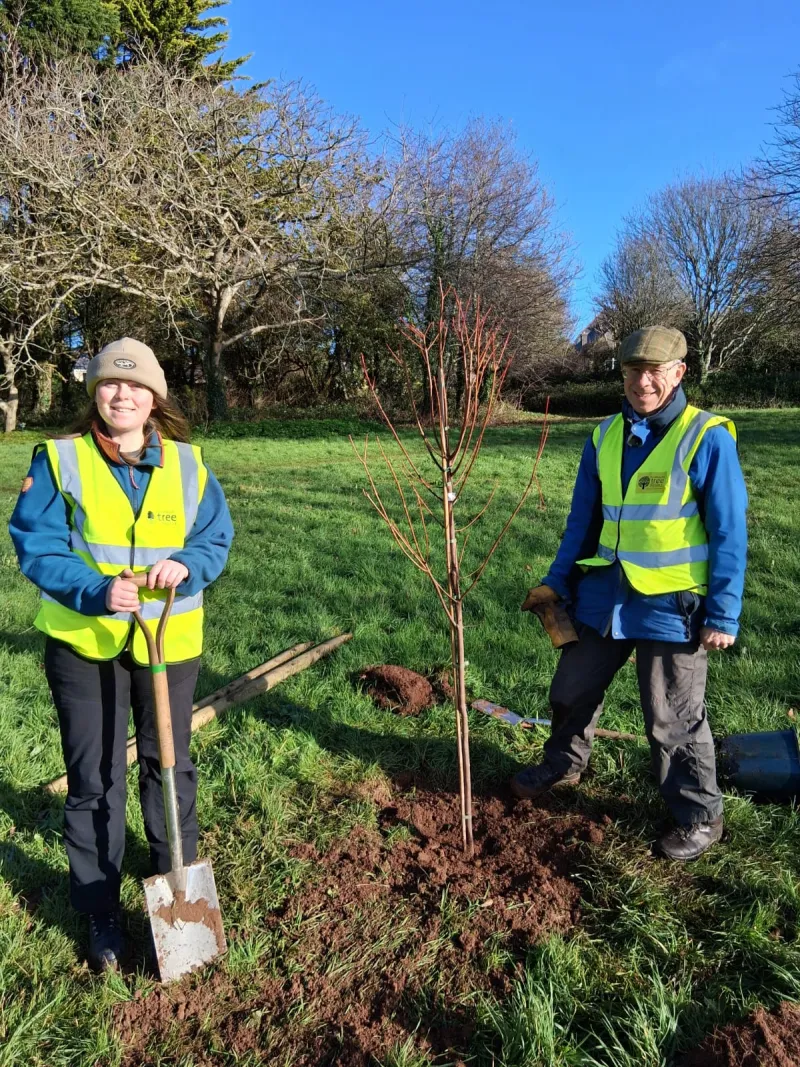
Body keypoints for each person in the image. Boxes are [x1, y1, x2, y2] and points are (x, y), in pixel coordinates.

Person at [9, 338, 233, 970]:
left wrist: (185, 566)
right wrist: (98, 589)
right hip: (87, 644)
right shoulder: (60, 460)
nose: (122, 394)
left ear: (155, 397)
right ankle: (100, 908)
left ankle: (177, 880)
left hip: (170, 642)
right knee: (94, 777)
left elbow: (214, 538)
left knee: (170, 766)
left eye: (136, 386)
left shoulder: (189, 466)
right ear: (95, 393)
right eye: (111, 383)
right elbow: (38, 544)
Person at [512, 326, 747, 861]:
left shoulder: (705, 436)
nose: (643, 381)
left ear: (679, 373)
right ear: (622, 374)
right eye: (633, 371)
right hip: (603, 596)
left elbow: (730, 530)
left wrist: (724, 614)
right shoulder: (604, 436)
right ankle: (564, 765)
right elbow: (582, 522)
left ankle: (699, 816)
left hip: (672, 605)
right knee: (571, 689)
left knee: (672, 718)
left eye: (655, 371)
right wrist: (557, 579)